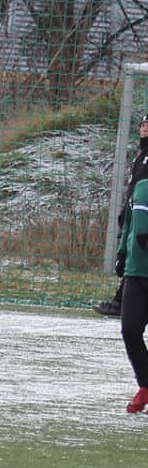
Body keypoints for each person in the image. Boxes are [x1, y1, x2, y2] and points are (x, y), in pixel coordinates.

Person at [93, 113, 148, 316]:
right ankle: (120, 302)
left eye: (147, 125)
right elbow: (134, 189)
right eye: (142, 124)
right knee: (130, 258)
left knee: (134, 258)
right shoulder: (140, 156)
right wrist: (126, 211)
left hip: (143, 216)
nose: (144, 128)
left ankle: (121, 302)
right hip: (135, 214)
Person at [118, 176, 148, 412]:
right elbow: (129, 224)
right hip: (136, 272)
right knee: (130, 330)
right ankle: (145, 386)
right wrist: (121, 253)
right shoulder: (140, 187)